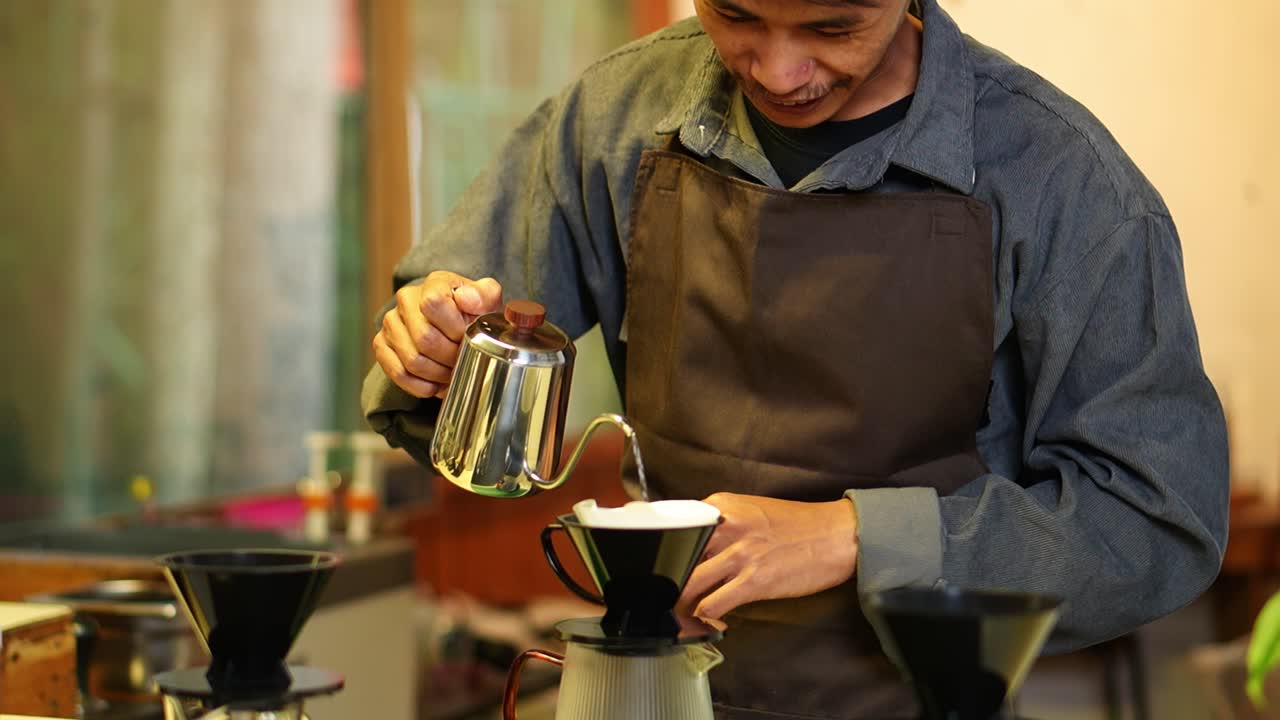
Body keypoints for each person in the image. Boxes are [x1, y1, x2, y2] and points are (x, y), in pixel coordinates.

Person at [362, 0, 1229, 717]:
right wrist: (431, 353)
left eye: (832, 26)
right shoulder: (615, 118)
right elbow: (457, 379)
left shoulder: (1063, 180)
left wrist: (855, 534)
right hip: (655, 689)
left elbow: (1155, 523)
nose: (777, 71)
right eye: (736, 15)